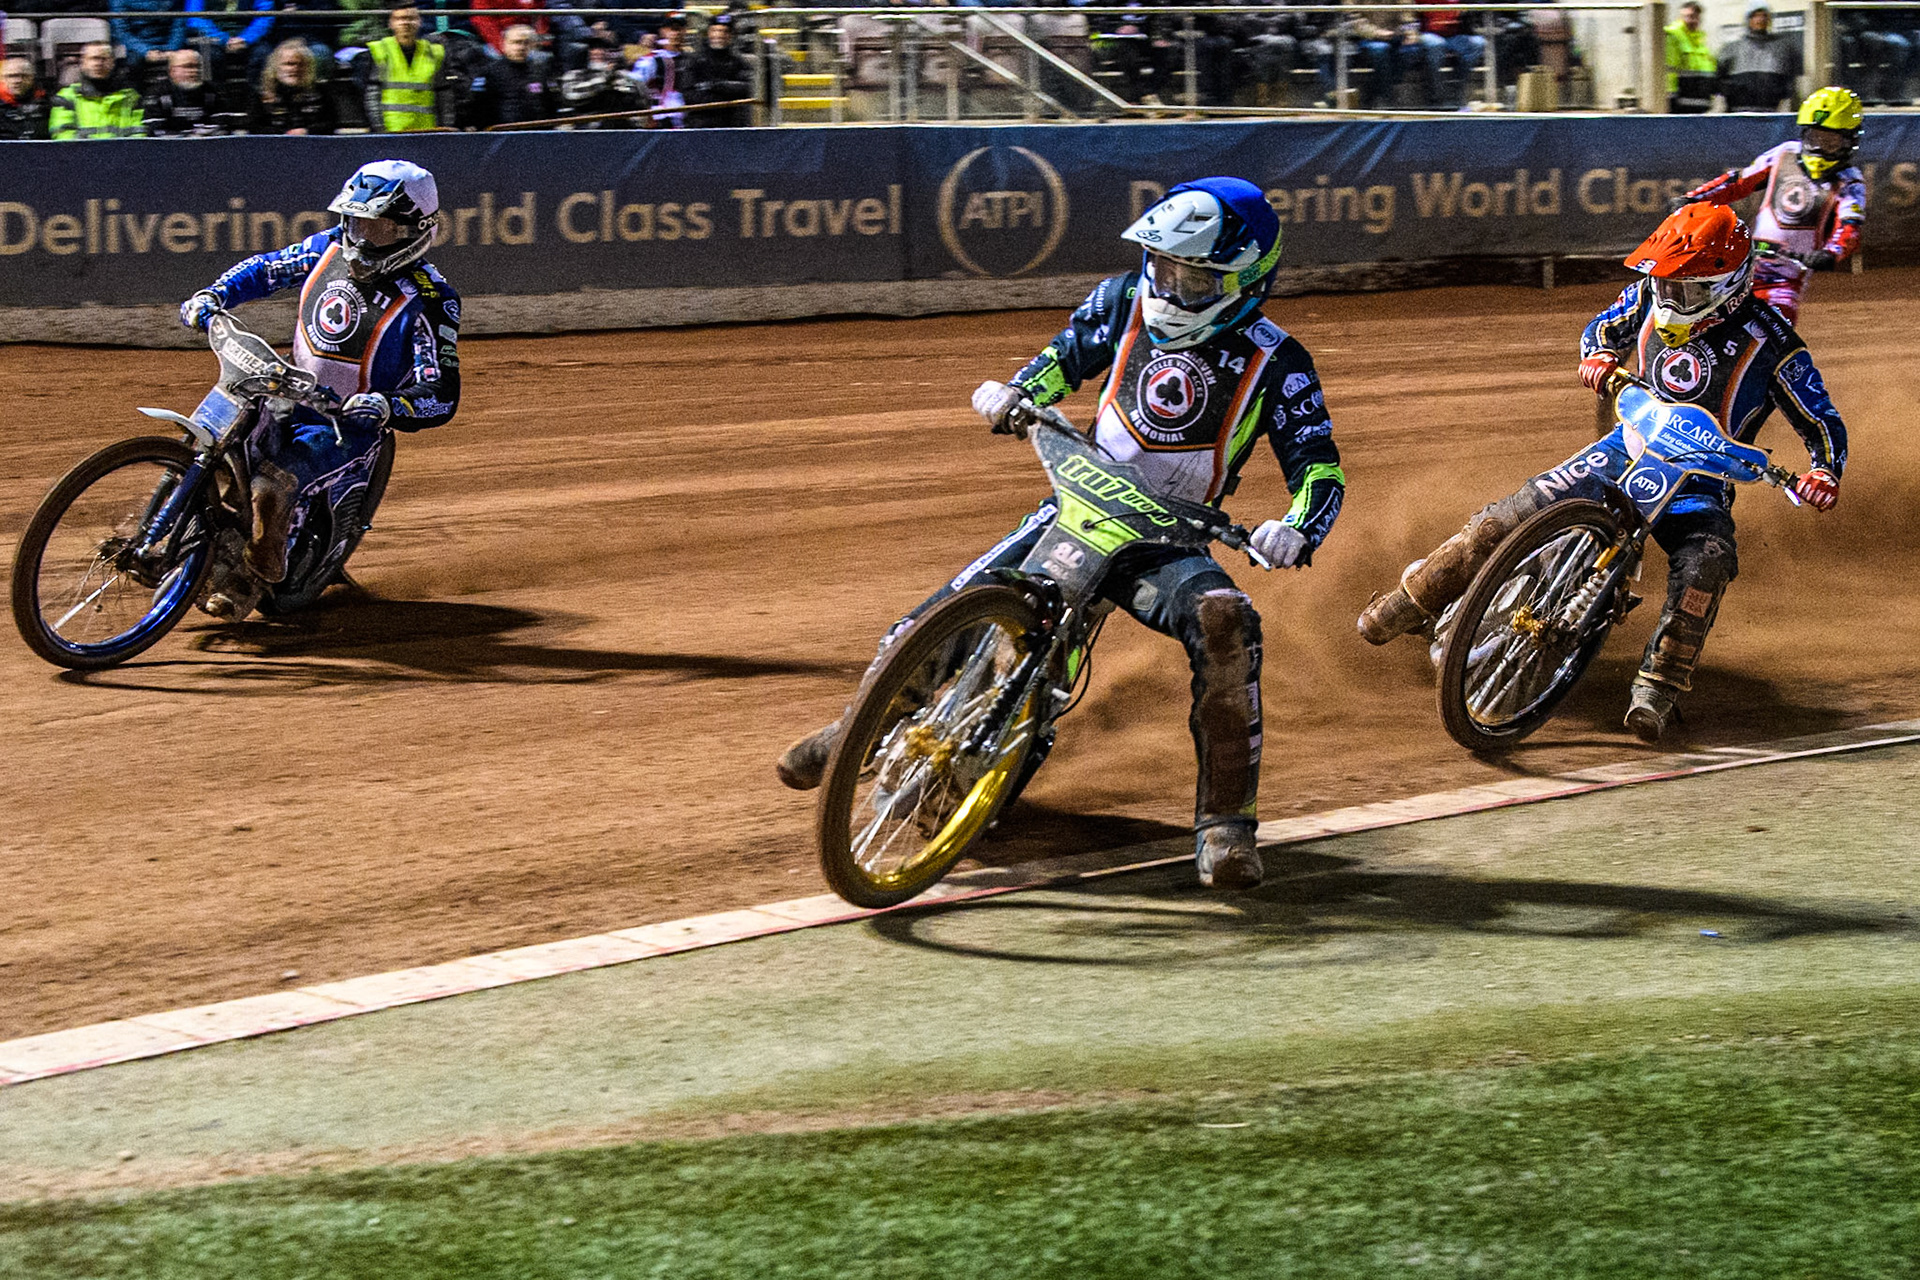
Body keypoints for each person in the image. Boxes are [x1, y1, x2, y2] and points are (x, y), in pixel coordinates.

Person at [777, 178, 1347, 890]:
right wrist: (1018, 392)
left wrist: (1297, 528)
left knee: (1226, 620)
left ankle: (1226, 825)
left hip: (1169, 543)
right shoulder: (1119, 301)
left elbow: (1320, 467)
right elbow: (1062, 360)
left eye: (1195, 275)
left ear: (1244, 278)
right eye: (1164, 265)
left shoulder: (1277, 360)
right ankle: (855, 730)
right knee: (947, 608)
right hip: (1080, 499)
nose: (1171, 284)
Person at [1357, 204, 1847, 743]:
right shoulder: (1648, 293)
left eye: (1684, 289)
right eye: (1663, 282)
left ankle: (1660, 684)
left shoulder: (1775, 342)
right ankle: (1413, 599)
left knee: (1707, 563)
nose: (1667, 297)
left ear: (1726, 285)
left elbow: (1821, 418)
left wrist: (1824, 470)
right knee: (1510, 514)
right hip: (1624, 447)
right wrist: (1597, 356)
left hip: (1700, 485)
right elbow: (1602, 327)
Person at [176, 160, 461, 618]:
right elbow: (267, 269)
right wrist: (215, 295)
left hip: (349, 424)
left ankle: (254, 574)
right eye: (355, 222)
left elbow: (441, 390)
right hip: (288, 390)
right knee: (211, 444)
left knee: (273, 482)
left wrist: (387, 405)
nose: (362, 238)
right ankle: (176, 533)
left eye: (380, 228)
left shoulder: (431, 297)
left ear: (414, 230)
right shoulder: (328, 248)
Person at [1678, 87, 1865, 325]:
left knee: (1774, 332)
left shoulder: (1850, 181)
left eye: (1830, 142)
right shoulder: (1784, 153)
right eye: (1815, 138)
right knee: (1694, 314)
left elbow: (1849, 227)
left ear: (1849, 141)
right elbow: (1739, 182)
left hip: (1785, 279)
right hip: (1742, 265)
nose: (1820, 148)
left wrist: (1831, 253)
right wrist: (1693, 199)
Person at [365, 5, 451, 131]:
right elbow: (372, 96)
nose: (405, 23)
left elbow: (444, 95)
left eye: (411, 18)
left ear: (420, 22)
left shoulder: (434, 53)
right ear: (391, 23)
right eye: (400, 19)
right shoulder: (380, 51)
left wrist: (445, 127)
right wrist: (379, 130)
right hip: (391, 132)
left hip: (428, 132)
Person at [50, 43, 145, 139]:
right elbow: (63, 135)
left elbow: (139, 133)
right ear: (82, 63)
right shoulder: (67, 97)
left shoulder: (130, 97)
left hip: (124, 153)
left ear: (112, 62)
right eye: (93, 58)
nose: (98, 63)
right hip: (82, 153)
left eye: (103, 59)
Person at [1719, 5, 1802, 110]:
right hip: (1737, 112)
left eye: (1764, 16)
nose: (1760, 20)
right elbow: (1720, 81)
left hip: (1771, 113)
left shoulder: (1784, 49)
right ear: (1748, 20)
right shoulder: (1731, 49)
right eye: (1755, 16)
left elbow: (1792, 84)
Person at [249, 37, 338, 134]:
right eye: (289, 64)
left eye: (300, 64)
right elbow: (255, 128)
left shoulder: (321, 92)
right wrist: (285, 135)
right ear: (276, 67)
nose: (295, 69)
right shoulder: (262, 95)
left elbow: (330, 124)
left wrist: (306, 132)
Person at [474, 22, 554, 125]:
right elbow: (479, 106)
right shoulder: (489, 72)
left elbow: (550, 103)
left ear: (533, 45)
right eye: (516, 42)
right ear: (504, 44)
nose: (521, 48)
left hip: (538, 133)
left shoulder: (542, 70)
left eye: (526, 43)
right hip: (502, 134)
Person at [559, 34, 646, 125]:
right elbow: (572, 96)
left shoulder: (623, 75)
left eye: (602, 49)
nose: (597, 52)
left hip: (623, 125)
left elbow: (641, 99)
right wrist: (605, 77)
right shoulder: (574, 75)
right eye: (593, 49)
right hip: (586, 126)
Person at [682, 14, 751, 127]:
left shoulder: (738, 62)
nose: (719, 35)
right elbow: (689, 94)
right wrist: (723, 99)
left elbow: (747, 88)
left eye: (725, 31)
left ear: (731, 35)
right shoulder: (695, 61)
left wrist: (716, 86)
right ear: (709, 33)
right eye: (715, 30)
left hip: (731, 123)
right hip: (700, 123)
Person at [142, 46, 229, 134]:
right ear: (172, 70)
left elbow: (222, 125)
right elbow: (154, 128)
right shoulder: (157, 93)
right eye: (187, 66)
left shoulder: (213, 91)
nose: (194, 71)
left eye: (197, 66)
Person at [1665, 1, 1717, 113]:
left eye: (1695, 17)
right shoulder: (1673, 35)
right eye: (1688, 16)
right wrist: (1671, 97)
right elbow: (1670, 68)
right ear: (1680, 17)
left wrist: (1709, 94)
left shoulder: (1700, 39)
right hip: (1679, 104)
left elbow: (1708, 67)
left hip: (1699, 103)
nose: (1692, 20)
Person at [0, 56, 50, 140]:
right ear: (2, 78)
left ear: (32, 77)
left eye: (24, 76)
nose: (18, 81)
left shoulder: (47, 103)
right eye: (11, 76)